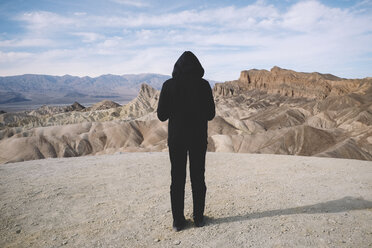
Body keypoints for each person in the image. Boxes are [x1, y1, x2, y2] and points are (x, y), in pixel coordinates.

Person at [157, 51, 215, 231]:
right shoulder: (204, 85)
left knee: (177, 179)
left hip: (176, 140)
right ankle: (198, 218)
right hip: (198, 139)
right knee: (198, 177)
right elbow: (211, 115)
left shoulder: (168, 85)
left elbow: (161, 115)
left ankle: (178, 222)